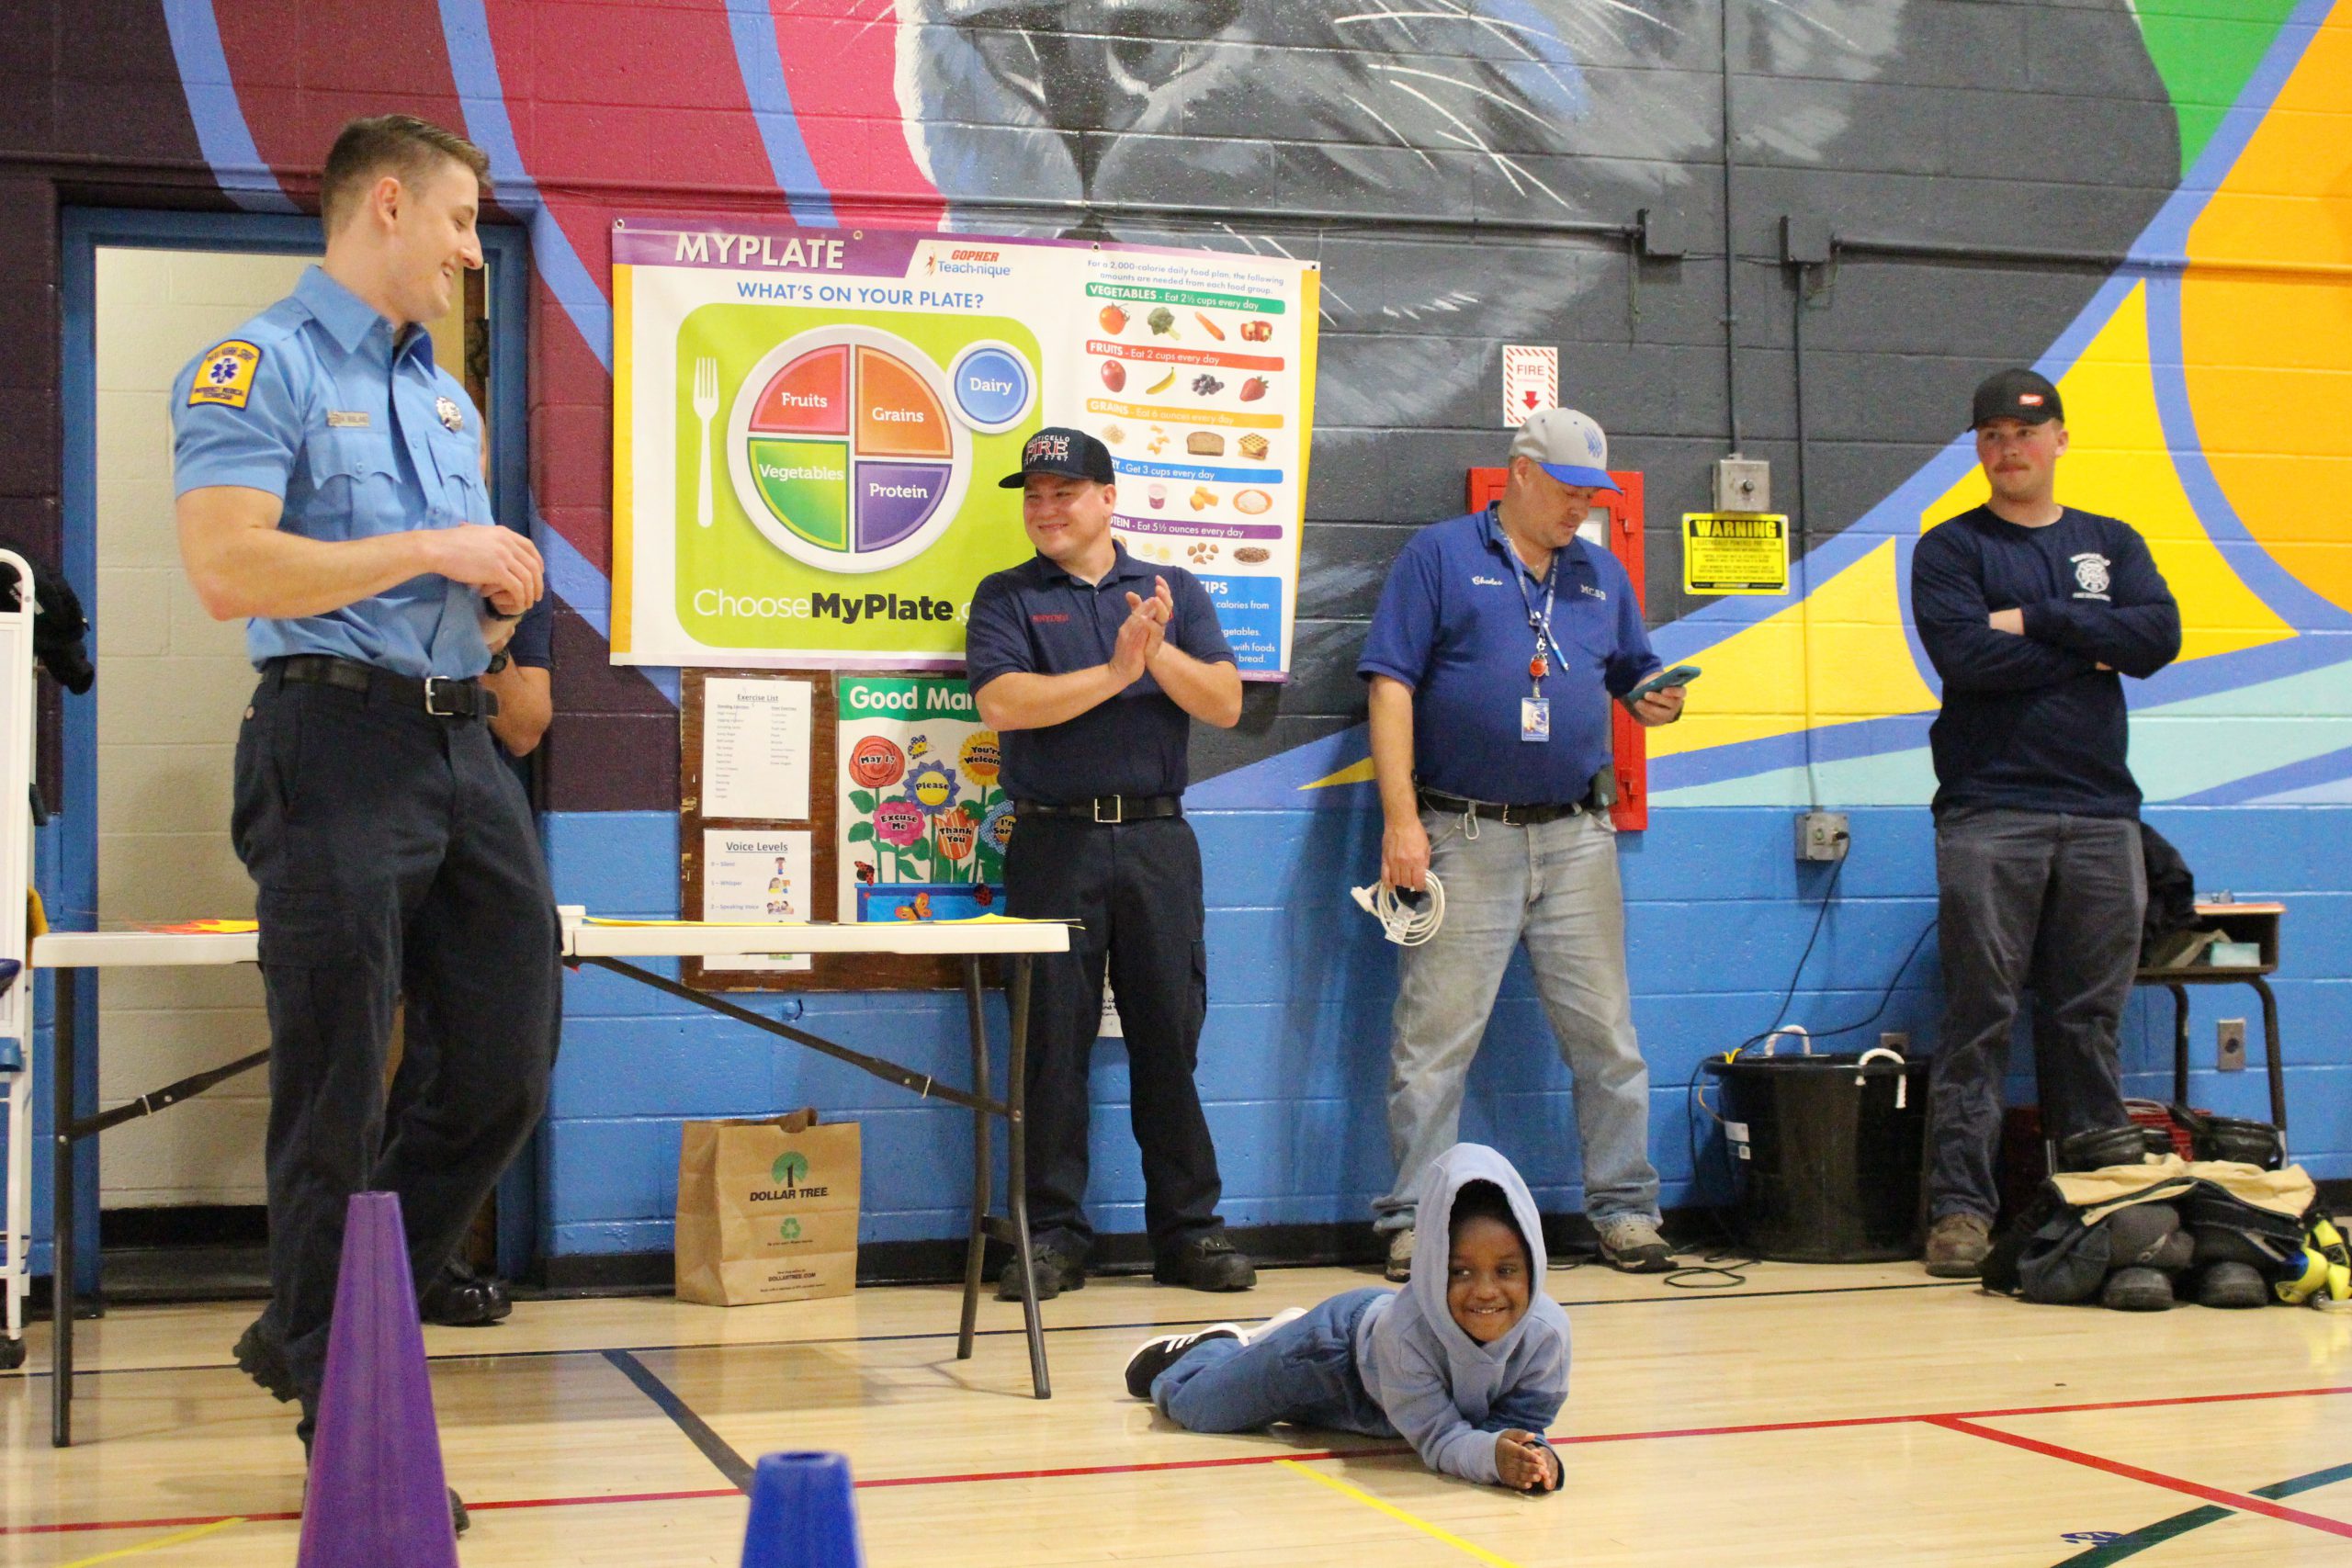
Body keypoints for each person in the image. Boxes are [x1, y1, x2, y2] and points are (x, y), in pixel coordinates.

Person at [171, 114, 560, 1527]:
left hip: (461, 745)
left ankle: (313, 1319)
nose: (471, 250)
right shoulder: (258, 363)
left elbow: (434, 577)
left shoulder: (446, 401)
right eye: (461, 221)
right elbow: (226, 569)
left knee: (507, 1061)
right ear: (387, 205)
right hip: (330, 738)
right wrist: (433, 547)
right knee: (336, 1080)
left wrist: (489, 591)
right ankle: (350, 1405)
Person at [1356, 408, 1684, 1280]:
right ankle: (1416, 1222)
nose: (1582, 506)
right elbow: (1390, 686)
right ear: (1521, 474)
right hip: (1463, 831)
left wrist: (1654, 700)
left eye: (1593, 493)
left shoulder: (1599, 574)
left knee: (1607, 1035)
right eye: (1570, 490)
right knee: (1434, 1040)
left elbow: (1632, 676)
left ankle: (1624, 1208)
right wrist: (1401, 821)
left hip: (1578, 835)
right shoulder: (1442, 555)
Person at [965, 427, 1254, 1300]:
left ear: (1106, 497)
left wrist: (1154, 649)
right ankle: (1050, 1235)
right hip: (1055, 841)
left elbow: (1228, 702)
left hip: (1161, 843)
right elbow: (1004, 704)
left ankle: (1189, 1231)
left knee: (1170, 1035)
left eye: (1063, 492)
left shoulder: (1170, 591)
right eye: (1034, 496)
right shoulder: (1007, 595)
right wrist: (1116, 666)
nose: (1046, 510)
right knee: (1049, 1046)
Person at [1910, 368, 2181, 1278]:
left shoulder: (2112, 540)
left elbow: (2157, 638)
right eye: (1990, 435)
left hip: (2103, 813)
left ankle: (2096, 1213)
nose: (2007, 449)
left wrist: (2035, 618)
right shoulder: (1949, 549)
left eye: (2023, 433)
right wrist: (2089, 645)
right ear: (1978, 448)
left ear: (2058, 439)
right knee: (1979, 1015)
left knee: (2087, 1014)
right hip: (1990, 813)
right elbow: (1965, 656)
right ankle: (1959, 1214)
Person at [1125, 1142, 1567, 1495]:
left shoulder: (1548, 1336)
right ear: (1432, 1268)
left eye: (1506, 1270)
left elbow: (1517, 1429)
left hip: (1392, 1412)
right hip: (1331, 1357)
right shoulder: (1407, 1333)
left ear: (1533, 1265)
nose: (1487, 1290)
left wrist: (1535, 1459)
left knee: (1301, 1423)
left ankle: (1268, 1339)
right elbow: (1442, 1440)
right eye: (1460, 1271)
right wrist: (1490, 1458)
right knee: (1197, 1408)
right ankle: (1215, 1348)